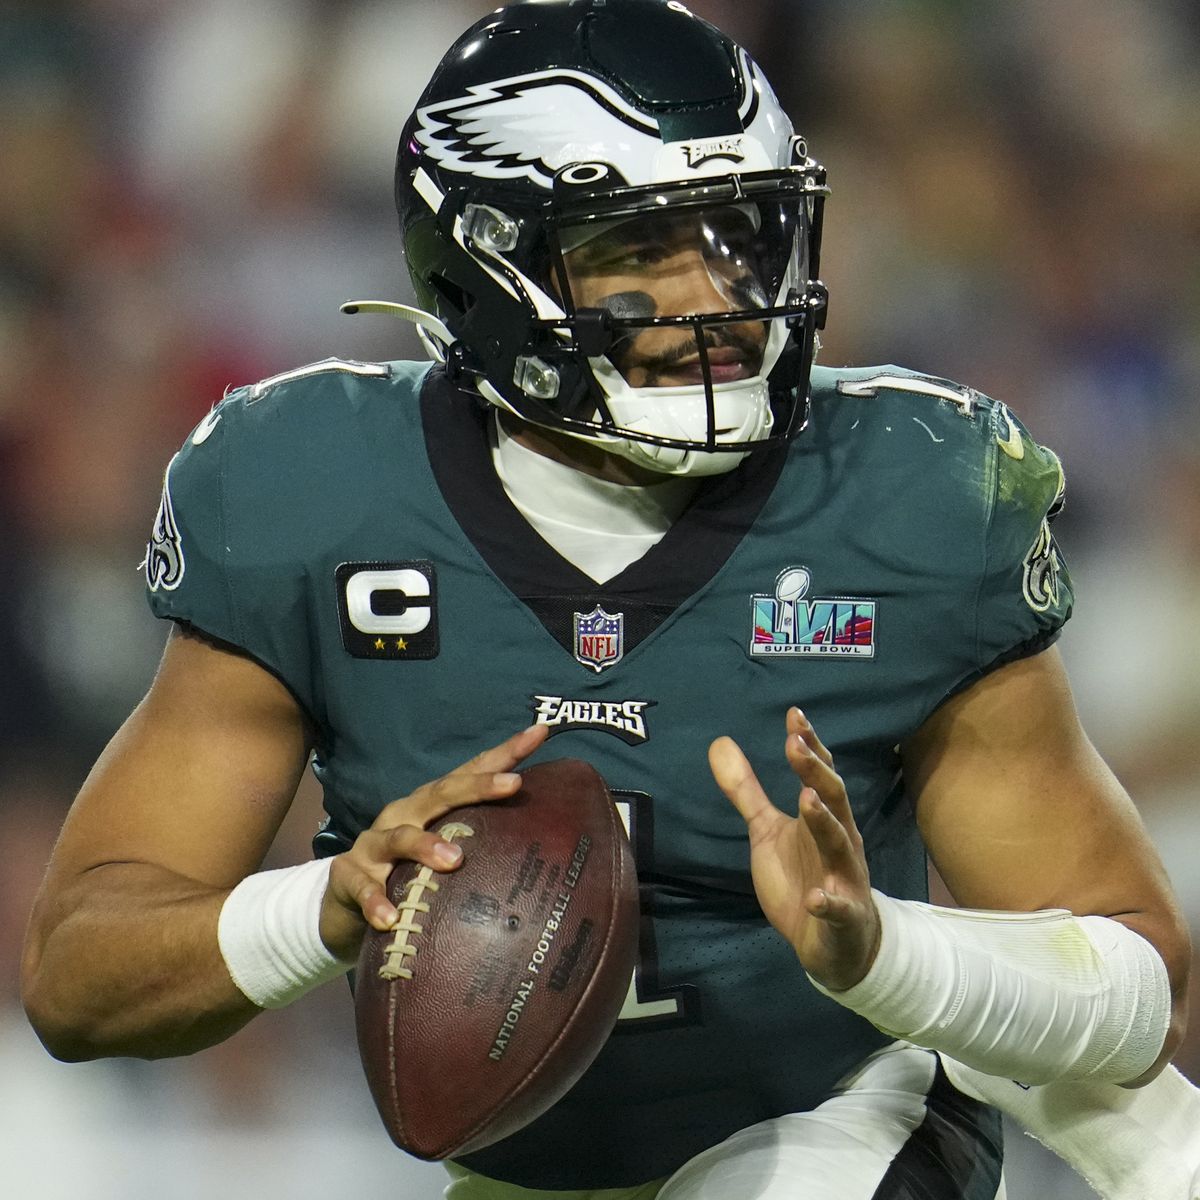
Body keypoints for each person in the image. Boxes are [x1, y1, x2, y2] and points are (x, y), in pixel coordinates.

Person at [19, 2, 1198, 1197]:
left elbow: (1141, 987)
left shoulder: (904, 492)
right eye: (640, 249)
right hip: (522, 1170)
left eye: (742, 230)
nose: (721, 295)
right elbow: (79, 979)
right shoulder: (311, 492)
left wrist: (881, 950)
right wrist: (327, 907)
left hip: (832, 1120)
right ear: (489, 264)